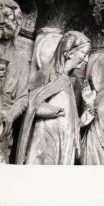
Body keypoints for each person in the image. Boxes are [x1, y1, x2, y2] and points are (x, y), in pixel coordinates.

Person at [16, 31, 92, 164]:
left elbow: (67, 119)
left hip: (64, 143)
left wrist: (80, 122)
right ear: (68, 52)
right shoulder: (46, 73)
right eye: (84, 54)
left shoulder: (69, 82)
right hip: (44, 142)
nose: (86, 60)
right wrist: (51, 110)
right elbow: (30, 103)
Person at [0, 0, 27, 164]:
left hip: (2, 129)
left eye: (7, 16)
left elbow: (23, 98)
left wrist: (9, 116)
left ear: (16, 23)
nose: (1, 20)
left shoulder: (21, 59)